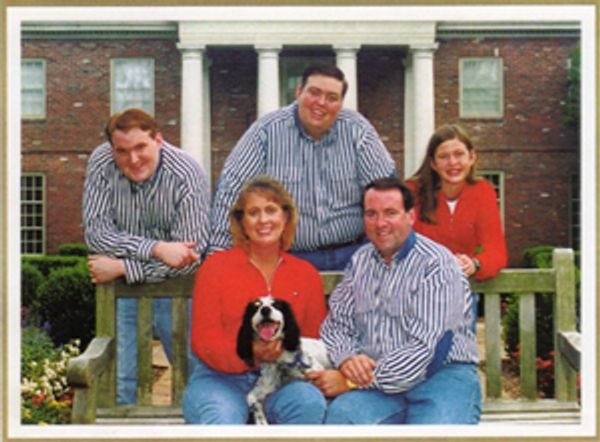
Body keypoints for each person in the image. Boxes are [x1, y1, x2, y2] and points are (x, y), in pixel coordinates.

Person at [306, 177, 481, 424]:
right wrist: (347, 359)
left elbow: (428, 350)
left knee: (434, 437)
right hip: (377, 385)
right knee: (342, 420)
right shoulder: (361, 261)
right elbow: (337, 324)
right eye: (371, 214)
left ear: (410, 216)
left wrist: (352, 381)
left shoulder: (437, 265)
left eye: (390, 213)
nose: (380, 224)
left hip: (441, 376)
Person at [208, 63, 396, 271]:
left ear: (341, 103)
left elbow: (388, 192)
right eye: (314, 93)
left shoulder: (358, 129)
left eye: (332, 98)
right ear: (298, 92)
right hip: (289, 258)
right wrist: (218, 259)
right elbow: (232, 192)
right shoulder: (266, 132)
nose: (321, 103)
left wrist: (395, 250)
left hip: (356, 255)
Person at [82, 108, 210, 405]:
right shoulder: (101, 163)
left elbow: (187, 260)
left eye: (141, 147)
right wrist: (158, 249)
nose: (133, 159)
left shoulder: (188, 173)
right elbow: (97, 235)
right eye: (122, 151)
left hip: (178, 292)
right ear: (112, 149)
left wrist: (123, 267)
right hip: (122, 293)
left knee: (195, 375)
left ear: (158, 140)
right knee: (122, 383)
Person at [183, 175, 328, 424]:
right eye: (253, 213)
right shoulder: (216, 267)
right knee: (221, 420)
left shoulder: (305, 274)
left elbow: (313, 339)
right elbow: (203, 341)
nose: (263, 220)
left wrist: (285, 352)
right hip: (221, 379)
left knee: (308, 403)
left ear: (286, 217)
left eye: (271, 210)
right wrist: (251, 352)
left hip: (282, 380)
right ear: (241, 221)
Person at [406, 124, 507, 281]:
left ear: (471, 157)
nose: (452, 162)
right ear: (433, 163)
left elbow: (496, 250)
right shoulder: (411, 192)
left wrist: (475, 264)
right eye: (443, 157)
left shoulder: (483, 191)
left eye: (459, 154)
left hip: (461, 284)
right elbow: (398, 245)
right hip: (417, 281)